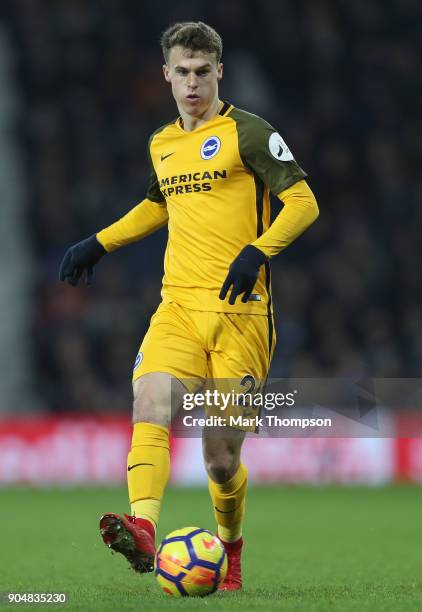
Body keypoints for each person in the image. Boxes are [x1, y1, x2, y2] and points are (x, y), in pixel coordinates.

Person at [59, 21, 319, 591]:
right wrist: (98, 242)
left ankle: (232, 552)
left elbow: (303, 203)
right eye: (183, 72)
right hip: (176, 306)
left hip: (241, 313)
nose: (193, 83)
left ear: (219, 71)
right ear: (167, 76)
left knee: (220, 461)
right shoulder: (163, 143)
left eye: (204, 72)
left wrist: (258, 249)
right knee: (149, 397)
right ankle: (144, 528)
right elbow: (160, 205)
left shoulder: (249, 133)